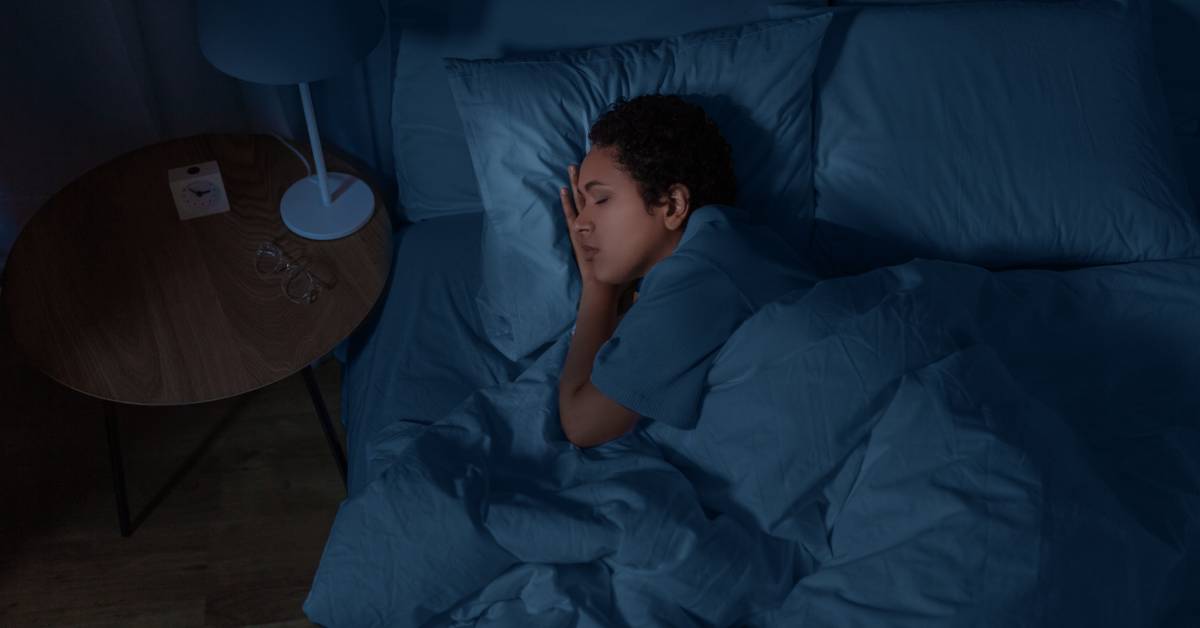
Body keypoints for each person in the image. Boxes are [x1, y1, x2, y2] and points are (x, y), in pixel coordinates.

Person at [557, 94, 817, 448]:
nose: (581, 223)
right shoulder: (725, 240)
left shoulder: (702, 273)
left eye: (600, 199)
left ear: (673, 204)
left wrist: (596, 287)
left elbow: (582, 423)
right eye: (582, 204)